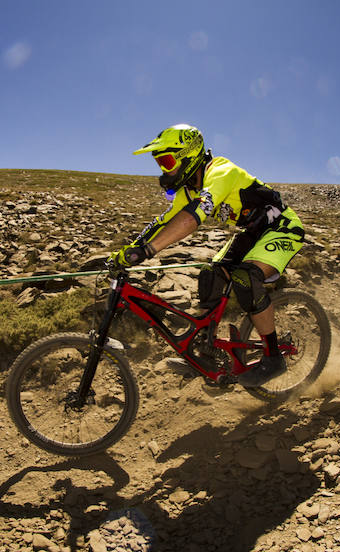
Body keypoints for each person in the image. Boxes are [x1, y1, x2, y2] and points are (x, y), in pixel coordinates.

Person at [110, 124, 307, 387]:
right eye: (160, 164)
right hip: (253, 232)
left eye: (167, 162)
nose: (164, 171)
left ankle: (273, 357)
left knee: (245, 278)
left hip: (282, 227)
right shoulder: (188, 190)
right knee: (210, 275)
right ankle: (207, 352)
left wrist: (148, 250)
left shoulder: (221, 171)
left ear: (189, 156)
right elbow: (163, 221)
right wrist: (127, 251)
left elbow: (194, 216)